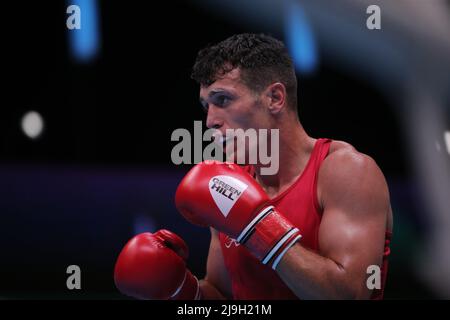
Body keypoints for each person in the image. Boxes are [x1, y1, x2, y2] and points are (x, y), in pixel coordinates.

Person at [114, 33, 393, 300]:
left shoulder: (346, 172)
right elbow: (224, 295)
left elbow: (350, 294)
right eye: (206, 106)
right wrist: (182, 291)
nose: (210, 120)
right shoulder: (228, 185)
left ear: (275, 98)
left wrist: (258, 227)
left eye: (223, 100)